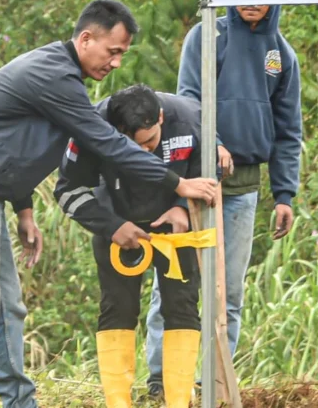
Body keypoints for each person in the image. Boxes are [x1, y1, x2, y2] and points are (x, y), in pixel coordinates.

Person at [0, 0, 219, 408]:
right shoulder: (55, 76)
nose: (115, 63)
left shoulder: (59, 75)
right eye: (112, 51)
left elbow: (9, 146)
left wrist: (24, 209)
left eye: (122, 55)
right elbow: (106, 142)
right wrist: (177, 184)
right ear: (85, 39)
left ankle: (18, 401)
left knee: (8, 308)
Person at [144, 4, 303, 396]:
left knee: (229, 291)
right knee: (174, 281)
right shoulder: (207, 36)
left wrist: (284, 193)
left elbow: (288, 130)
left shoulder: (281, 53)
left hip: (244, 188)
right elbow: (188, 101)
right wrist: (212, 143)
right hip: (193, 182)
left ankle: (214, 383)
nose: (252, 2)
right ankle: (161, 381)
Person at [54, 84, 215, 408]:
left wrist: (183, 206)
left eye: (151, 143)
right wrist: (111, 226)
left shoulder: (190, 117)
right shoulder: (90, 127)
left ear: (159, 118)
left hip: (174, 227)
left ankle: (178, 401)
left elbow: (209, 172)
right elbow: (67, 191)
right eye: (132, 147)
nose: (144, 153)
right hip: (117, 225)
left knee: (182, 306)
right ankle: (118, 402)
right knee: (118, 308)